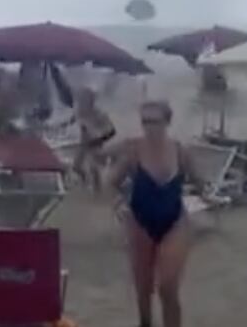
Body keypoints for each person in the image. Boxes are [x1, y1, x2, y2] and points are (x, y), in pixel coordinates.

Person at [107, 100, 211, 327]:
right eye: (145, 122)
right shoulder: (134, 151)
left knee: (167, 287)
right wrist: (118, 203)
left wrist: (206, 196)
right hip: (139, 222)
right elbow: (112, 182)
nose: (149, 127)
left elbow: (200, 182)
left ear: (167, 122)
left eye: (154, 121)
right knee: (143, 290)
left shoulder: (180, 151)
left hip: (174, 222)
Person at [71, 88, 116, 191]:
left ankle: (97, 192)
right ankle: (85, 182)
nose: (82, 102)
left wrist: (99, 139)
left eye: (85, 100)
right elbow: (72, 122)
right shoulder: (79, 113)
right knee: (76, 167)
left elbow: (112, 131)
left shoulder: (100, 114)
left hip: (95, 145)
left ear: (91, 101)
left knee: (94, 169)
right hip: (82, 145)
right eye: (81, 100)